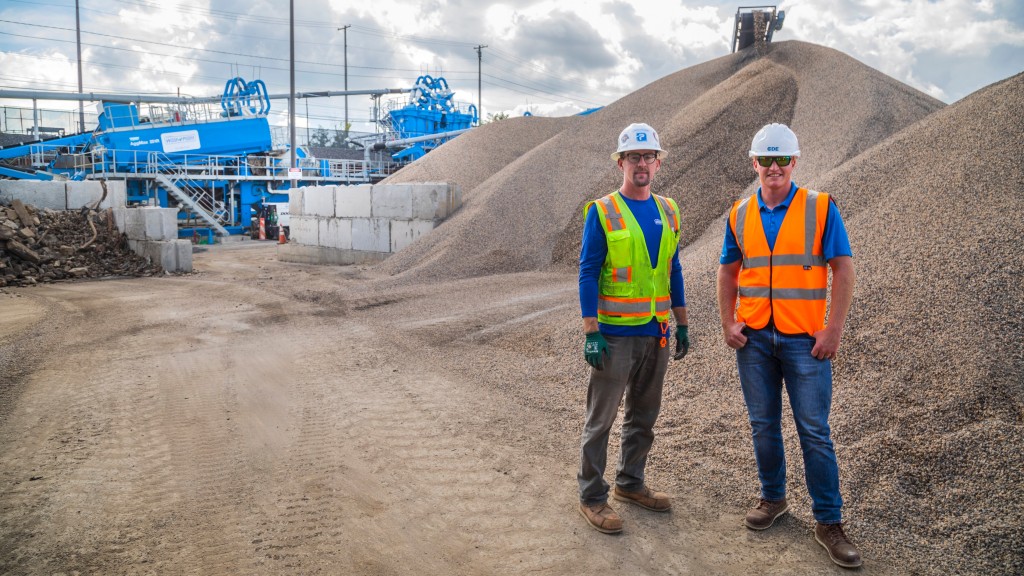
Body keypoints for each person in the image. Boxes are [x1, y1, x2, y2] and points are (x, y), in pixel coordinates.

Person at [716, 123, 862, 568]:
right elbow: (727, 272)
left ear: (795, 161)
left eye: (782, 160)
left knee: (814, 431)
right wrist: (728, 322)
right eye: (766, 160)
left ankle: (828, 521)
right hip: (755, 338)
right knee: (763, 425)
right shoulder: (739, 213)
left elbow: (843, 269)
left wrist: (833, 329)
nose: (774, 168)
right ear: (754, 163)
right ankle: (773, 498)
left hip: (805, 341)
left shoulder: (820, 207)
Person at [577, 122, 689, 534]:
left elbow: (673, 268)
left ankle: (630, 483)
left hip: (655, 332)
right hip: (614, 335)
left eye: (649, 157)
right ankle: (592, 496)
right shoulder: (603, 211)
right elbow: (588, 271)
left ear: (657, 163)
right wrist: (591, 331)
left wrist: (682, 323)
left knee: (644, 415)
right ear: (621, 162)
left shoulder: (669, 209)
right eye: (634, 157)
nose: (642, 164)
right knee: (601, 420)